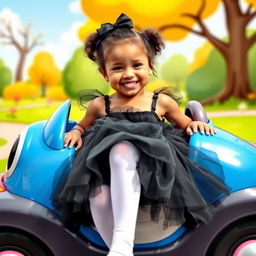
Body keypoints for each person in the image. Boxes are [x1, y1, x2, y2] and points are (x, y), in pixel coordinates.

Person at [54, 13, 229, 256]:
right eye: (117, 68)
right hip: (106, 173)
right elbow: (82, 125)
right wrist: (76, 131)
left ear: (150, 66)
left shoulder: (161, 102)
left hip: (153, 171)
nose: (128, 74)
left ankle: (122, 243)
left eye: (137, 65)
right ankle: (119, 250)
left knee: (121, 149)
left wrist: (195, 125)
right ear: (105, 74)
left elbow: (184, 123)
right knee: (98, 195)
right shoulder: (100, 105)